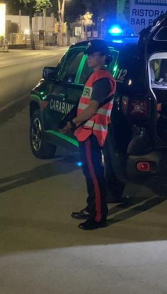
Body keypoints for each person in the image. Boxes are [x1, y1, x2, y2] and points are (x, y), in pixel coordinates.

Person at [60, 40, 117, 230]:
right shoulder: (95, 77)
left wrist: (71, 123)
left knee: (95, 175)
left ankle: (99, 217)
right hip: (85, 132)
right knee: (89, 173)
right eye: (88, 54)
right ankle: (92, 207)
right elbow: (83, 105)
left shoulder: (102, 79)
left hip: (92, 132)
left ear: (103, 57)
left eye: (93, 54)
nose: (88, 57)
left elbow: (92, 109)